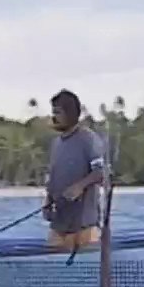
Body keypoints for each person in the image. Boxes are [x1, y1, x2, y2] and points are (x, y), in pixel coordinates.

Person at [43, 89, 106, 253]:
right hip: (58, 226)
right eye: (53, 112)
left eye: (58, 112)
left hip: (84, 228)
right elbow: (53, 179)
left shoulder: (89, 139)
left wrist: (80, 186)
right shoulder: (56, 144)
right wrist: (48, 202)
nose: (54, 117)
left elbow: (101, 172)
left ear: (71, 114)